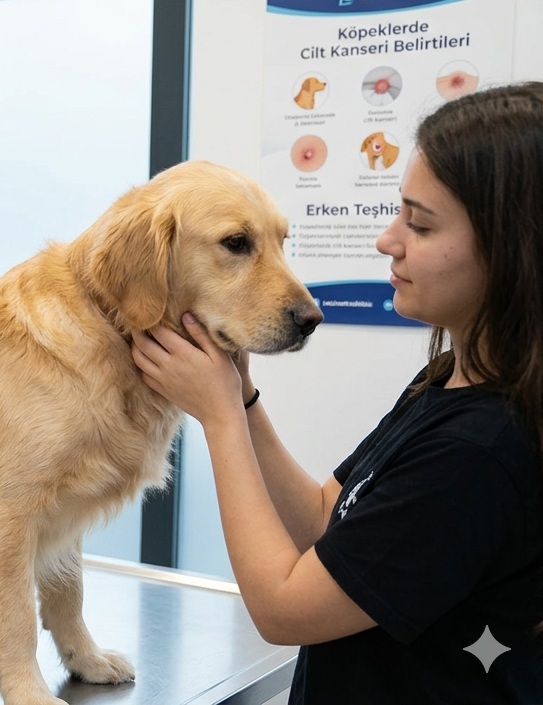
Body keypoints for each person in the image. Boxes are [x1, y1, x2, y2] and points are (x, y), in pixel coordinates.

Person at [132, 82, 543, 703]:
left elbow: (283, 610)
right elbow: (330, 520)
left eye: (421, 225)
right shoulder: (452, 376)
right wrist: (242, 399)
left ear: (513, 249)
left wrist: (218, 421)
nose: (388, 240)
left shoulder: (479, 453)